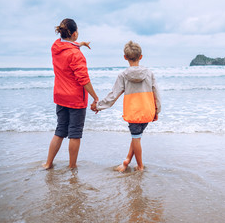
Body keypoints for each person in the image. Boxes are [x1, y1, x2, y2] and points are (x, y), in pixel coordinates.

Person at [91, 41, 161, 172]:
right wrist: (157, 110)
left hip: (133, 111)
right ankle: (127, 160)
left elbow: (113, 95)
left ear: (125, 57)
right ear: (141, 56)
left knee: (136, 138)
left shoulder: (123, 75)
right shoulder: (149, 73)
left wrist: (98, 106)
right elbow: (156, 92)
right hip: (147, 110)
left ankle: (140, 166)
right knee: (137, 137)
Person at [42, 18, 99, 169]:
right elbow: (84, 80)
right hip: (75, 100)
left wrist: (81, 44)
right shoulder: (76, 55)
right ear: (74, 34)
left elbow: (66, 45)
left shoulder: (55, 47)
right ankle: (72, 166)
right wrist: (95, 97)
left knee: (60, 130)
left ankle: (48, 163)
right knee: (74, 133)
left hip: (60, 97)